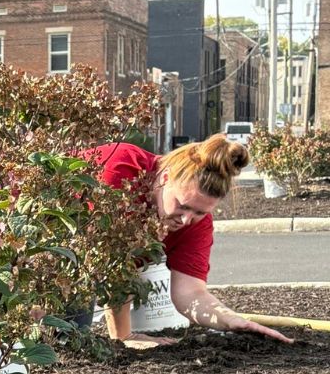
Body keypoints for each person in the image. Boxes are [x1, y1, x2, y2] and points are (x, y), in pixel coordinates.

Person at [84, 135, 292, 348]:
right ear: (165, 177)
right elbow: (107, 259)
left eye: (199, 212)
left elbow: (190, 293)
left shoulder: (196, 225)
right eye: (182, 205)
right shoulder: (122, 169)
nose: (186, 220)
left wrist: (229, 319)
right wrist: (123, 336)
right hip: (58, 258)